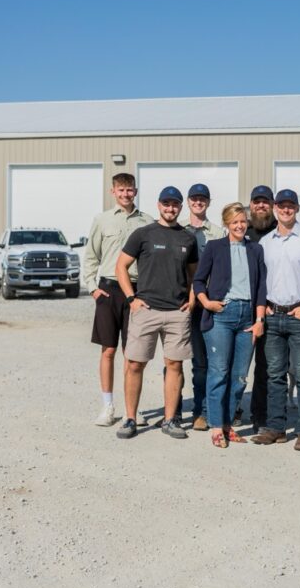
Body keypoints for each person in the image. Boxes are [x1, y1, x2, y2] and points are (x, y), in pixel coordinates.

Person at [114, 186, 199, 440]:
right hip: (146, 309)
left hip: (177, 312)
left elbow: (195, 275)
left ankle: (170, 419)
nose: (170, 208)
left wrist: (192, 301)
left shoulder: (188, 238)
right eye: (166, 204)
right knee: (134, 364)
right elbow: (121, 266)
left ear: (180, 207)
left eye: (175, 204)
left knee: (174, 364)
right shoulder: (143, 234)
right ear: (159, 205)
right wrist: (132, 298)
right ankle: (130, 418)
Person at [250, 189, 300, 451]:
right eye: (281, 206)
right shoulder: (266, 243)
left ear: (297, 208)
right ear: (275, 208)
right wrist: (263, 309)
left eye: (290, 206)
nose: (286, 210)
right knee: (274, 375)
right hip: (274, 317)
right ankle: (276, 427)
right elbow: (260, 281)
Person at [192, 202, 267, 448]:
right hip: (221, 315)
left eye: (242, 221)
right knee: (219, 372)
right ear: (226, 224)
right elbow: (199, 281)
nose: (239, 225)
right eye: (234, 222)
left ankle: (227, 424)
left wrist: (259, 320)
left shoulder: (255, 250)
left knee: (240, 377)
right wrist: (207, 303)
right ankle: (215, 426)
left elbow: (260, 289)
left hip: (247, 316)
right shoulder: (214, 248)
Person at [82, 172, 154, 427]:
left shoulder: (147, 222)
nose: (125, 194)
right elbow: (91, 256)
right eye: (121, 190)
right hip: (109, 290)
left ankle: (130, 409)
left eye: (130, 190)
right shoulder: (102, 220)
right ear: (113, 192)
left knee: (132, 353)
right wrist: (92, 288)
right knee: (109, 350)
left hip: (137, 292)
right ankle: (107, 406)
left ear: (135, 191)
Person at [180, 183, 226, 431]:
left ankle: (203, 411)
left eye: (202, 199)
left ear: (208, 202)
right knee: (174, 359)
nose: (198, 202)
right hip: (181, 303)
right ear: (188, 202)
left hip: (207, 304)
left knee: (205, 362)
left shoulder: (218, 233)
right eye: (194, 198)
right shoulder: (177, 230)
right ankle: (174, 410)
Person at [242, 185, 277, 432]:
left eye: (265, 202)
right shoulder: (242, 231)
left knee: (266, 367)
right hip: (243, 308)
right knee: (236, 365)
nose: (261, 206)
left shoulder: (281, 231)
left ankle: (260, 416)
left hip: (271, 310)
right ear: (251, 205)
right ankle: (230, 411)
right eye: (257, 202)